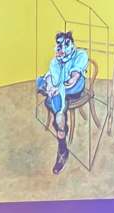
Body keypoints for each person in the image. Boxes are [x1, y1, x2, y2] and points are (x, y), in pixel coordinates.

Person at [36, 31, 89, 174]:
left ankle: (61, 144)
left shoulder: (81, 54)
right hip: (60, 89)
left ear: (72, 43)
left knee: (53, 97)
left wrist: (71, 79)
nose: (63, 47)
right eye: (59, 44)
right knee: (54, 104)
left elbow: (74, 77)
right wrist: (52, 86)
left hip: (75, 87)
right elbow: (55, 80)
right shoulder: (55, 62)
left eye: (66, 43)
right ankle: (62, 146)